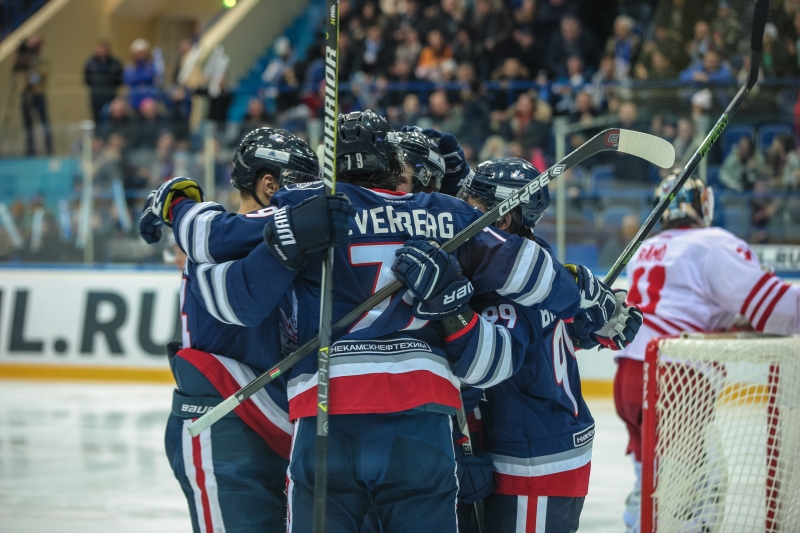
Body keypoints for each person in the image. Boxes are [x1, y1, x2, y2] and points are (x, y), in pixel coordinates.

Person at [159, 110, 616, 533]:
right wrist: (583, 296)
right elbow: (531, 273)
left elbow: (215, 248)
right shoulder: (444, 213)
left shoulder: (306, 204)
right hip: (423, 419)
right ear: (395, 166)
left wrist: (176, 206)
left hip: (327, 414)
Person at [139, 128, 347, 533]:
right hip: (223, 424)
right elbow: (223, 237)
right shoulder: (215, 245)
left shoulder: (293, 245)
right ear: (269, 185)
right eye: (303, 188)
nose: (313, 203)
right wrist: (178, 206)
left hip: (280, 427)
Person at [456, 158, 642, 533]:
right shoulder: (537, 263)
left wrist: (457, 446)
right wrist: (592, 329)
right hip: (548, 442)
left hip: (533, 458)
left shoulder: (505, 286)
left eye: (473, 204)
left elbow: (483, 365)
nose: (461, 210)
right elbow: (549, 337)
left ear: (503, 219)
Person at [614, 174, 800, 533]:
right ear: (702, 204)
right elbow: (772, 307)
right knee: (698, 491)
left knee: (651, 484)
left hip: (630, 375)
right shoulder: (711, 243)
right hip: (676, 380)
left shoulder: (645, 248)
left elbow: (687, 304)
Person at [14, 34, 52, 155]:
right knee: (27, 123)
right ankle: (30, 149)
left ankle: (49, 149)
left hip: (38, 93)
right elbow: (14, 67)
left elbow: (42, 74)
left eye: (35, 44)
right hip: (25, 93)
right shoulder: (23, 56)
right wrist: (19, 53)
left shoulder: (43, 57)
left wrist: (32, 67)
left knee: (44, 121)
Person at [84, 40, 123, 124]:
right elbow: (87, 80)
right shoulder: (90, 63)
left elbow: (119, 80)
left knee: (111, 119)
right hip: (96, 96)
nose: (102, 53)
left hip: (110, 95)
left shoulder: (114, 63)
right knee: (97, 119)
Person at [123, 38, 157, 111]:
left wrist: (138, 77)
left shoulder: (151, 66)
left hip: (149, 97)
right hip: (134, 98)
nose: (141, 55)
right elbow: (128, 80)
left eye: (143, 53)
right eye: (138, 53)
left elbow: (153, 78)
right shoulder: (130, 67)